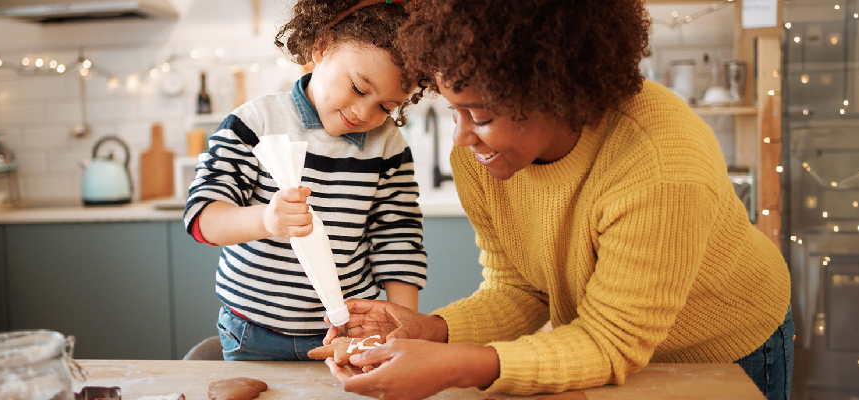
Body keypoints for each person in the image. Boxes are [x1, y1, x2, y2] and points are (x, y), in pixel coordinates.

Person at [319, 0, 793, 399]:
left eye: (480, 116)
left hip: (724, 349)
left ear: (559, 94)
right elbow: (521, 290)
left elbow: (610, 342)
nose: (462, 138)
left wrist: (453, 366)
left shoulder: (659, 162)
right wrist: (433, 331)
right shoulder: (481, 160)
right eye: (453, 109)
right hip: (606, 351)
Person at [183, 0, 428, 361]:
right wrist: (267, 220)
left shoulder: (388, 146)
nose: (364, 113)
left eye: (386, 107)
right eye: (359, 89)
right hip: (252, 332)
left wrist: (405, 326)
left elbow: (398, 241)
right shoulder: (255, 123)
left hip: (345, 333)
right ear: (322, 48)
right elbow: (204, 217)